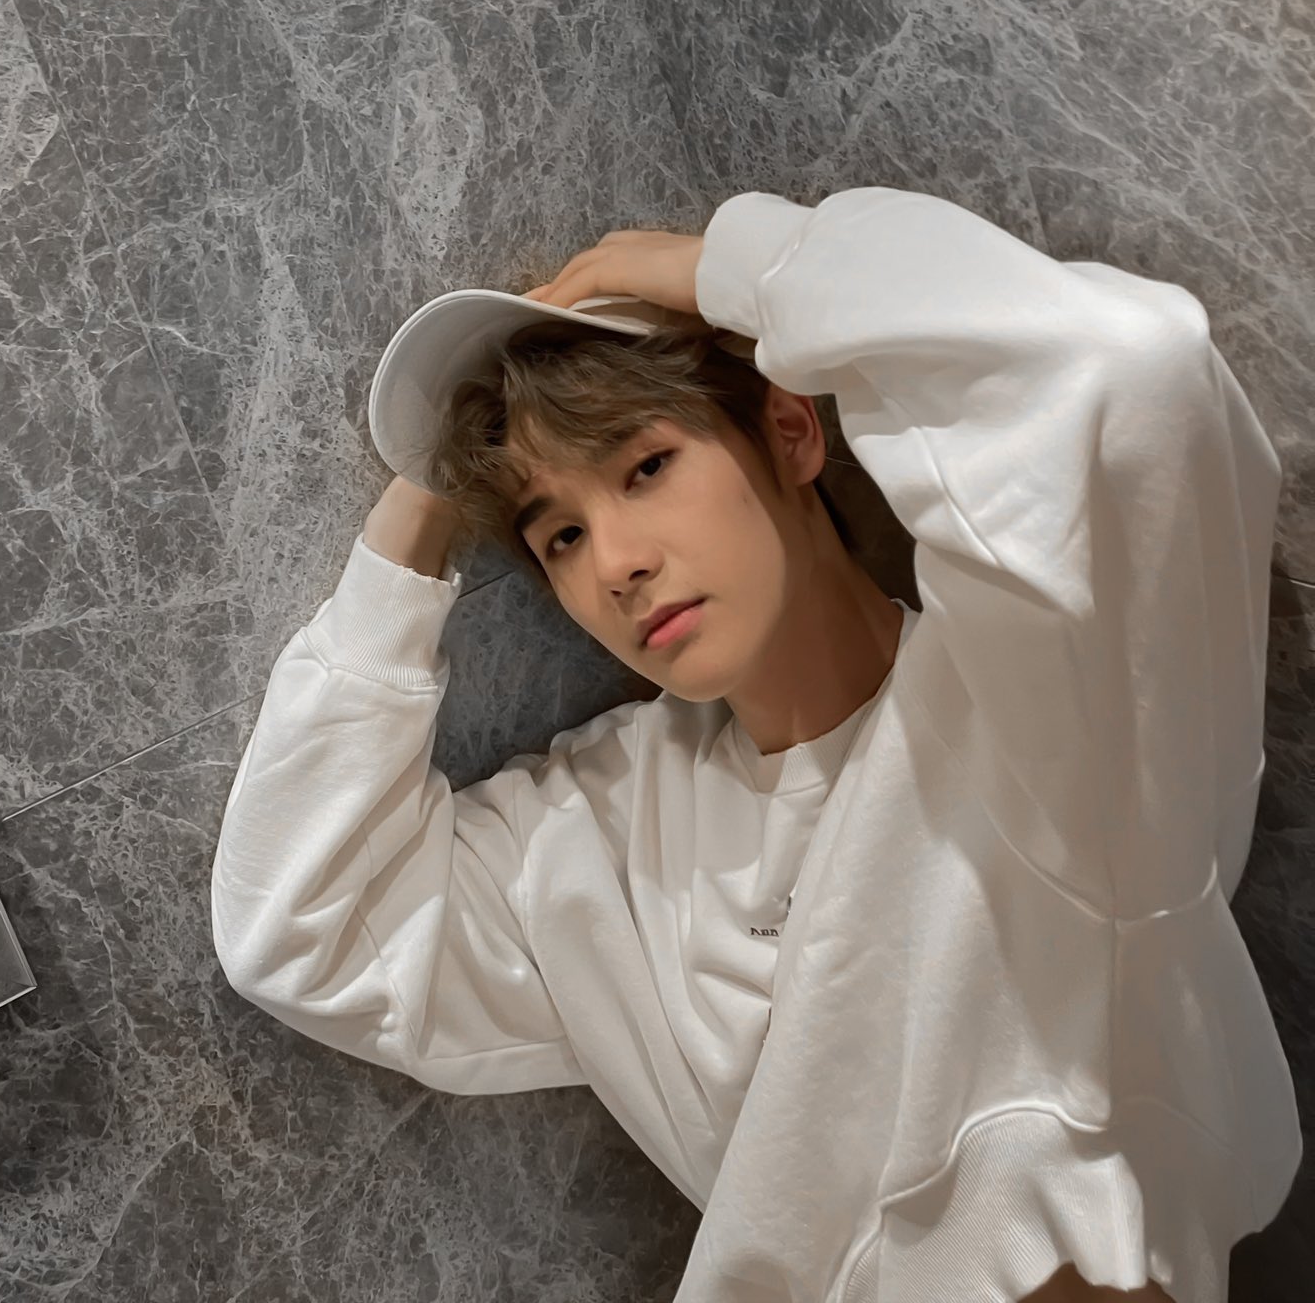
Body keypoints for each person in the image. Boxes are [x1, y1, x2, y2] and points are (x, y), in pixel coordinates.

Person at [210, 184, 1300, 1301]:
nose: (615, 563)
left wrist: (745, 268)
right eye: (561, 534)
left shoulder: (1034, 690)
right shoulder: (601, 832)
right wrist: (428, 504)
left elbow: (1131, 365)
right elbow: (300, 927)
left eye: (645, 465)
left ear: (789, 430)